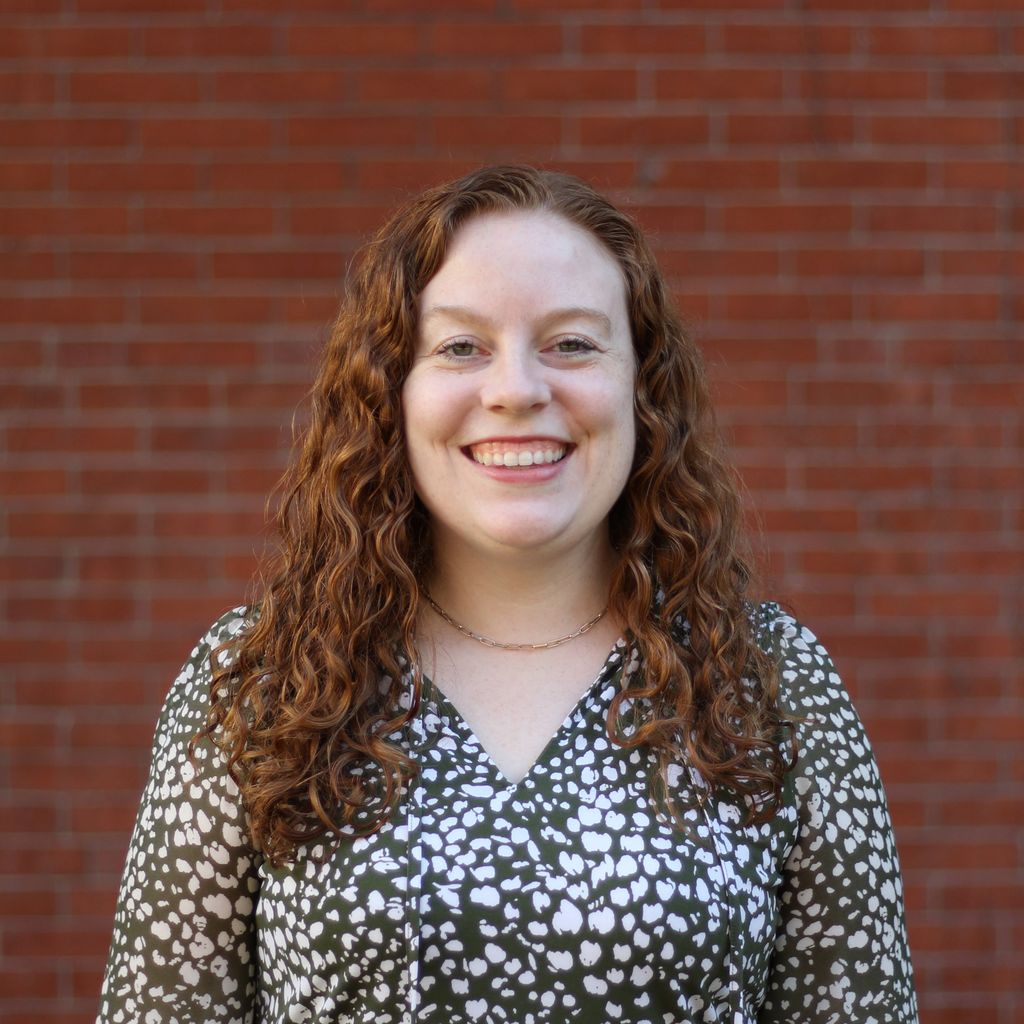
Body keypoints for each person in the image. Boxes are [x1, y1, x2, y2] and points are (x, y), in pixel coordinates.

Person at [97, 164, 918, 1024]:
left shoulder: (771, 681)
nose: (518, 390)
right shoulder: (260, 680)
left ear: (642, 389)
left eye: (571, 344)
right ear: (390, 392)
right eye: (461, 346)